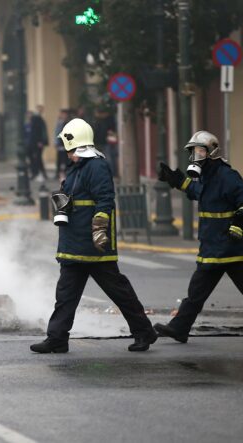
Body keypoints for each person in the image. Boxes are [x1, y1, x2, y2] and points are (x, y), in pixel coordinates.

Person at [31, 118, 158, 354]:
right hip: (73, 244)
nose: (66, 153)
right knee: (65, 296)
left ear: (74, 143)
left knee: (119, 292)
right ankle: (57, 338)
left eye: (67, 147)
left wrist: (100, 231)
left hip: (93, 245)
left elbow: (105, 200)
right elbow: (77, 199)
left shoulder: (97, 166)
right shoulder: (76, 168)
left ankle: (144, 332)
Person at [155, 131, 243, 344]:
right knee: (197, 292)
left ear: (211, 152)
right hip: (213, 245)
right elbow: (199, 191)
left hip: (229, 247)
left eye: (199, 151)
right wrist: (176, 180)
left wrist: (239, 220)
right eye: (193, 152)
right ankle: (179, 328)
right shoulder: (208, 176)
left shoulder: (227, 175)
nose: (196, 156)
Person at [28, 105, 49, 181]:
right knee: (36, 158)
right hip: (35, 143)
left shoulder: (37, 119)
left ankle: (38, 173)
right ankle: (39, 173)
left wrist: (41, 141)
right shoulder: (36, 119)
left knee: (37, 158)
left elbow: (40, 131)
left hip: (37, 143)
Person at [54, 108, 71, 179]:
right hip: (60, 143)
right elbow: (56, 133)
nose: (63, 115)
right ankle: (58, 173)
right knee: (59, 159)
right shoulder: (59, 122)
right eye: (62, 114)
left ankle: (66, 172)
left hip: (65, 144)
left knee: (65, 159)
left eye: (64, 114)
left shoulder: (68, 123)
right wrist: (56, 142)